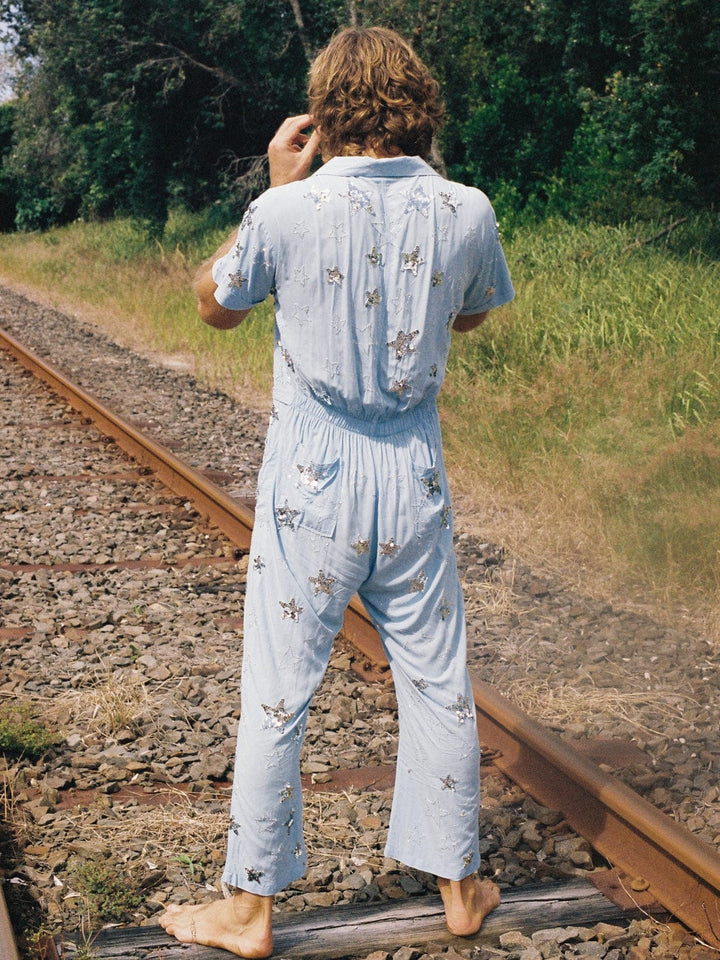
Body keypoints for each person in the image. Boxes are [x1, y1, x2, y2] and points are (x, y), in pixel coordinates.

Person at [159, 26, 514, 958]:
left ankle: (248, 908)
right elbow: (471, 309)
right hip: (413, 476)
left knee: (279, 690)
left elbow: (213, 301)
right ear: (419, 102)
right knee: (437, 678)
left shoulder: (286, 212)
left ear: (323, 113)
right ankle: (461, 884)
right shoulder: (467, 208)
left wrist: (275, 190)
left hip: (311, 482)